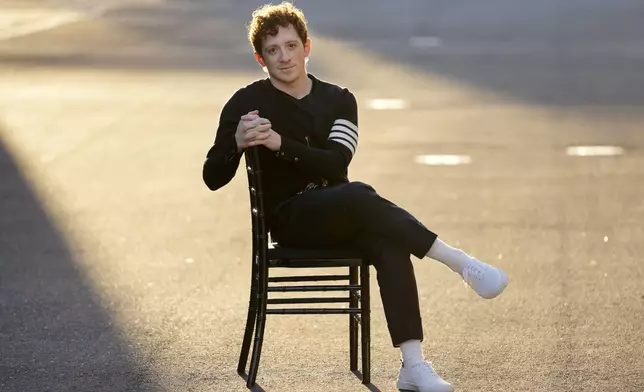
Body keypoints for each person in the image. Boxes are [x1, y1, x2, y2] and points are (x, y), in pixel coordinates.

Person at [202, 2, 508, 391]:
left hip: (341, 211)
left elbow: (335, 163)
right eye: (274, 50)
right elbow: (212, 177)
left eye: (291, 46)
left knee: (387, 237)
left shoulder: (339, 99)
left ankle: (413, 366)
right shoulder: (245, 102)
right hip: (291, 221)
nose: (284, 57)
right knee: (359, 195)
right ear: (260, 58)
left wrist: (280, 143)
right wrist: (236, 142)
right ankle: (457, 261)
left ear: (307, 47)